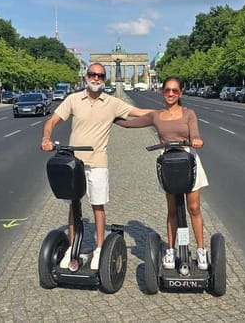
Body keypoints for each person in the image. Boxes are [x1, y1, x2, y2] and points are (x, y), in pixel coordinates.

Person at [40, 63, 152, 270]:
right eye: (92, 74)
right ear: (86, 77)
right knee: (73, 205)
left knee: (98, 205)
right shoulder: (73, 99)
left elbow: (138, 112)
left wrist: (170, 112)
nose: (96, 78)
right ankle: (72, 246)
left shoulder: (111, 102)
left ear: (104, 79)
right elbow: (53, 120)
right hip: (74, 162)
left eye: (100, 75)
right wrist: (47, 138)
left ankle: (100, 248)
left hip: (98, 161)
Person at [114, 77, 210, 270]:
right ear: (162, 92)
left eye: (175, 90)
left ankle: (201, 250)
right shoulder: (156, 115)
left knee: (194, 208)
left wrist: (196, 140)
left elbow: (195, 133)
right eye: (167, 90)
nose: (171, 94)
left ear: (180, 93)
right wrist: (109, 116)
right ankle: (171, 250)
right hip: (168, 164)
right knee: (172, 210)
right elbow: (130, 124)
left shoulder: (188, 113)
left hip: (188, 161)